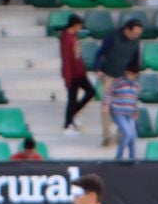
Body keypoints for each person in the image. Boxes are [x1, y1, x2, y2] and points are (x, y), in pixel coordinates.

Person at [96, 17, 144, 147]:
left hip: (126, 78)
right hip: (110, 76)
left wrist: (135, 77)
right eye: (134, 33)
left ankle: (121, 136)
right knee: (106, 108)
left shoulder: (136, 42)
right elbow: (100, 53)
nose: (136, 36)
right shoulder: (113, 35)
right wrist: (98, 68)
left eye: (138, 34)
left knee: (127, 107)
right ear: (127, 30)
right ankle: (107, 137)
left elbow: (136, 60)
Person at [58, 14, 95, 135]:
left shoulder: (74, 35)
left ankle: (72, 116)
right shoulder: (66, 38)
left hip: (80, 72)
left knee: (91, 92)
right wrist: (68, 79)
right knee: (72, 100)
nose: (80, 27)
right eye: (79, 25)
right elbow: (66, 59)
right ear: (74, 25)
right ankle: (67, 125)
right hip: (72, 74)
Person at [108, 65, 140, 161]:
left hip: (130, 113)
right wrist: (106, 104)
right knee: (127, 133)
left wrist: (135, 111)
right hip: (118, 112)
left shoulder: (136, 85)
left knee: (133, 136)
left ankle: (132, 157)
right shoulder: (119, 81)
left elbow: (134, 100)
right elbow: (108, 92)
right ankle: (119, 156)